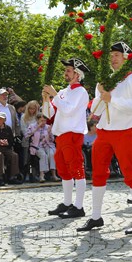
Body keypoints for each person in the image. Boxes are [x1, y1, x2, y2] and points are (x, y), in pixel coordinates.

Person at [77, 42, 132, 234]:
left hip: (124, 131)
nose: (113, 58)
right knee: (98, 172)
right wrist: (100, 95)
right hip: (104, 131)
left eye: (117, 55)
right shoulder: (106, 79)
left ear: (126, 57)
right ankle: (96, 217)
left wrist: (112, 99)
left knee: (131, 172)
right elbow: (95, 110)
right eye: (112, 55)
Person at [42, 58, 91, 219]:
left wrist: (54, 95)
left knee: (76, 168)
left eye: (69, 70)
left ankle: (79, 206)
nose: (65, 73)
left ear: (77, 74)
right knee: (63, 170)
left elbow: (69, 110)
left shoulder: (81, 92)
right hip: (61, 134)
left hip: (72, 134)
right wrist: (46, 99)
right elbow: (49, 115)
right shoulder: (63, 92)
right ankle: (67, 202)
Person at [0, 112, 21, 185]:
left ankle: (13, 176)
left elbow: (11, 141)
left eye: (0, 119)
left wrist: (7, 143)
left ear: (4, 120)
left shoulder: (8, 128)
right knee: (0, 155)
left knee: (14, 155)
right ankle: (1, 177)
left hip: (5, 148)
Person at [25, 113, 59, 182]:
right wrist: (37, 128)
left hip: (48, 145)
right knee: (43, 155)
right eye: (41, 120)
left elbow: (52, 140)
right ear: (37, 120)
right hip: (37, 146)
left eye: (44, 121)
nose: (43, 122)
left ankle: (53, 175)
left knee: (52, 154)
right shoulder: (32, 126)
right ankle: (42, 175)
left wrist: (49, 133)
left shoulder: (48, 127)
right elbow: (26, 136)